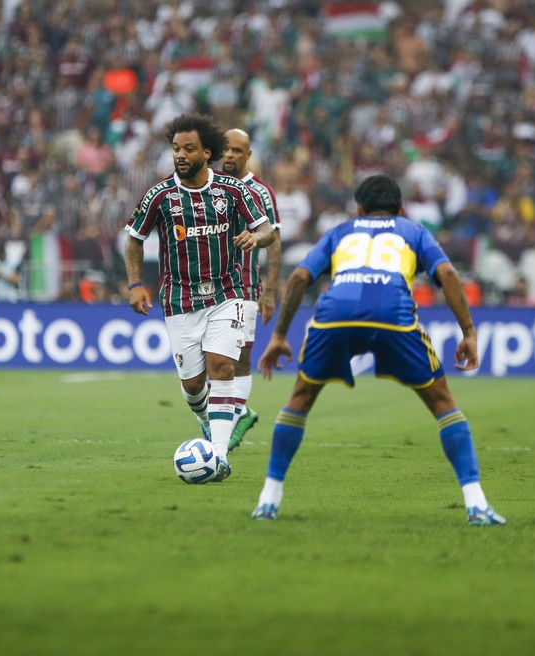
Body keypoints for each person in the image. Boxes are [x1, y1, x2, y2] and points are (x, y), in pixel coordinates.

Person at [253, 175, 505, 527]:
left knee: (300, 398)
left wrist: (279, 336)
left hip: (335, 316)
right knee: (443, 403)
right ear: (401, 209)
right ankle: (476, 504)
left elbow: (296, 279)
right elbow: (447, 272)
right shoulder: (413, 231)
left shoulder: (342, 231)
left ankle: (268, 500)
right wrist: (469, 332)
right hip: (393, 318)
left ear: (358, 209)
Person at [124, 112, 277, 480]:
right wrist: (134, 283)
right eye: (176, 148)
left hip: (228, 292)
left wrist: (255, 238)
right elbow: (134, 240)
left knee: (222, 367)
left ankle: (220, 456)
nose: (180, 155)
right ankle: (208, 423)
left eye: (188, 149)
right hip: (179, 300)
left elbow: (268, 231)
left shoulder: (233, 191)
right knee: (193, 386)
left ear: (207, 152)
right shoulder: (159, 196)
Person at [219, 128, 282, 453]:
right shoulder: (210, 185)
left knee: (239, 359)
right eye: (226, 149)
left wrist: (269, 291)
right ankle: (239, 411)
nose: (230, 155)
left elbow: (273, 242)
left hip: (244, 287)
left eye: (237, 150)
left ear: (248, 155)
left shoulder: (260, 191)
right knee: (209, 360)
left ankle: (233, 421)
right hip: (210, 288)